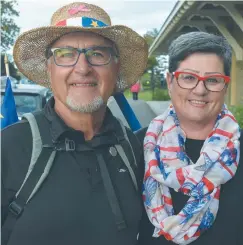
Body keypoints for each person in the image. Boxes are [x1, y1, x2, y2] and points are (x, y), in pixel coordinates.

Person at [1, 2, 148, 245]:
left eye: (98, 54)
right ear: (49, 69)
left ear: (116, 67)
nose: (82, 68)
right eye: (65, 54)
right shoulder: (8, 148)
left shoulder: (133, 148)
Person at [138, 32, 243, 245]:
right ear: (170, 81)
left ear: (226, 86)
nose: (200, 89)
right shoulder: (134, 148)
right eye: (188, 78)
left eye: (213, 80)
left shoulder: (238, 149)